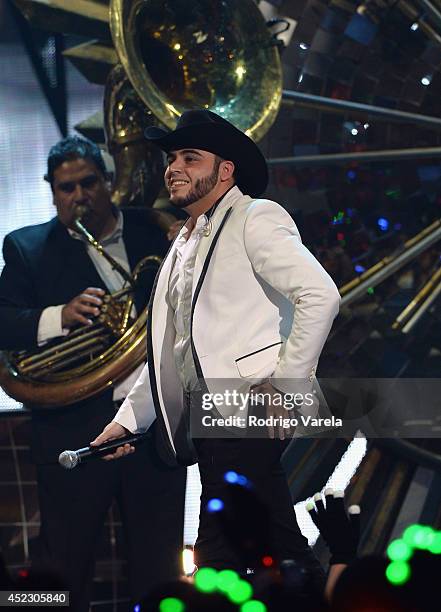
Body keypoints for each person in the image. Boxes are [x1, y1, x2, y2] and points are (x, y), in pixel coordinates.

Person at [92, 111, 341, 581]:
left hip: (246, 411)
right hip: (211, 424)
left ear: (225, 170)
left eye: (190, 156)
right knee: (266, 551)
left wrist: (285, 388)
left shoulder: (254, 217)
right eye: (171, 158)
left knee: (224, 558)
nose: (174, 167)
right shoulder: (183, 244)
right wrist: (128, 422)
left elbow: (320, 295)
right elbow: (172, 351)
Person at [0, 136, 186, 611]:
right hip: (73, 433)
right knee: (61, 565)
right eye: (65, 188)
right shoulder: (26, 248)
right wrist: (58, 316)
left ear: (109, 182)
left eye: (87, 183)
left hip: (152, 429)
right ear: (53, 192)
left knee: (160, 565)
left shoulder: (156, 228)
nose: (78, 196)